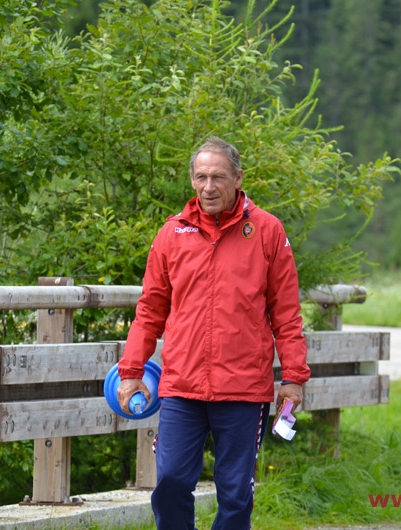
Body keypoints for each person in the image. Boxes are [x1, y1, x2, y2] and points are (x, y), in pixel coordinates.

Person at [117, 136, 310, 529]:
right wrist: (131, 371)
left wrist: (293, 379)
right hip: (181, 388)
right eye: (201, 177)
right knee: (170, 482)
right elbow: (150, 310)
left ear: (238, 178)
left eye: (219, 177)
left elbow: (286, 314)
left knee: (236, 494)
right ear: (191, 180)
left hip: (243, 390)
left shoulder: (268, 231)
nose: (209, 187)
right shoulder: (172, 234)